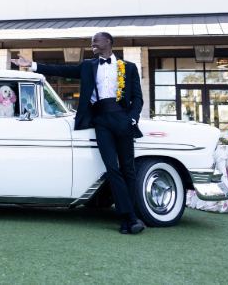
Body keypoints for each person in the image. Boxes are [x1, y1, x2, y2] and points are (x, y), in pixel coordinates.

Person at [11, 32, 146, 235]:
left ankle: (130, 219)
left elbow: (137, 97)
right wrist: (32, 64)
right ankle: (128, 217)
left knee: (128, 169)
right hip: (100, 120)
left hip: (123, 119)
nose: (92, 43)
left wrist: (131, 119)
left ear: (107, 42)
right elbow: (60, 69)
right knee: (111, 168)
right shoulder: (87, 65)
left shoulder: (129, 67)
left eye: (96, 40)